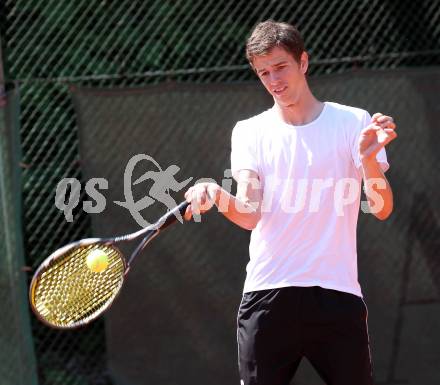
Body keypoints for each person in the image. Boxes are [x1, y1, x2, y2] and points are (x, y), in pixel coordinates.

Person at [184, 20, 397, 385]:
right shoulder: (249, 131)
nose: (273, 80)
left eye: (280, 67)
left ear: (303, 62)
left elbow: (381, 207)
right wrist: (217, 195)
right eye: (263, 72)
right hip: (267, 297)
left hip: (336, 296)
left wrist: (366, 159)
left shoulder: (353, 123)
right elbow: (250, 214)